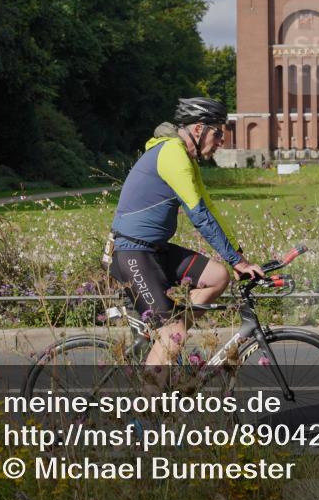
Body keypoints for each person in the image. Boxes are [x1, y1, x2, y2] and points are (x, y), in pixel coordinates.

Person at [107, 97, 264, 371]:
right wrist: (238, 261)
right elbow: (199, 216)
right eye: (217, 133)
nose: (221, 141)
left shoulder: (186, 159)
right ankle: (144, 412)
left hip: (154, 250)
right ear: (198, 129)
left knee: (218, 276)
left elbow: (209, 208)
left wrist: (238, 258)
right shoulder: (171, 153)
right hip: (132, 254)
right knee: (173, 335)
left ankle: (164, 342)